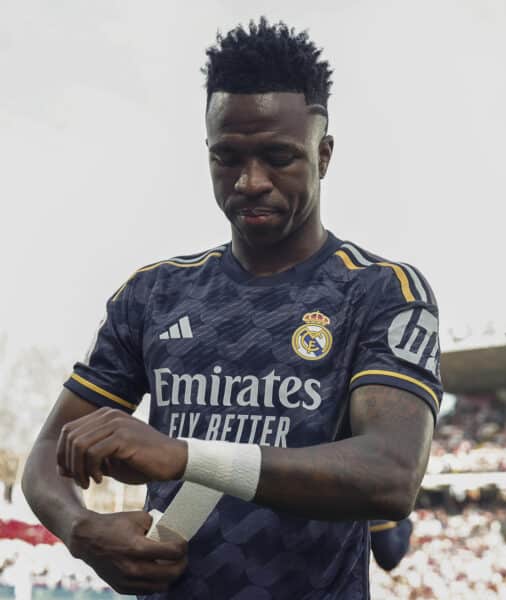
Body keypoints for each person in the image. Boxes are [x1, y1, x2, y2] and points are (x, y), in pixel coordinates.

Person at [22, 18, 442, 599]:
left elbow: (391, 474)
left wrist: (183, 456)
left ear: (323, 156)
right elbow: (46, 453)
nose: (250, 182)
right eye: (228, 158)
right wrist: (81, 529)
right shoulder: (154, 293)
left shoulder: (380, 291)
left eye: (278, 157)